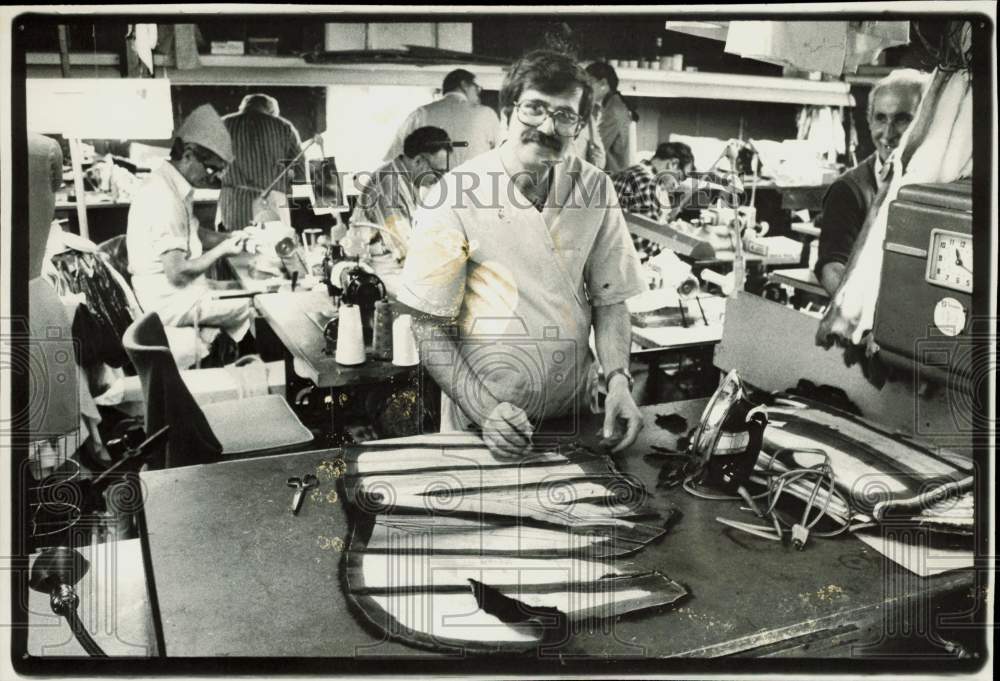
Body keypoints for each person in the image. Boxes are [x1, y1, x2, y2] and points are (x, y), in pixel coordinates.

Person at [397, 50, 647, 458]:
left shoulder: (595, 188)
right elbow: (427, 325)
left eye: (564, 115)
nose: (546, 127)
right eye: (534, 108)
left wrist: (618, 380)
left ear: (580, 126)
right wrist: (486, 411)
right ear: (508, 112)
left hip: (575, 411)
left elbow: (611, 299)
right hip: (485, 419)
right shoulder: (455, 193)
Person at [127, 104, 253, 343]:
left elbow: (195, 234)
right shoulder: (164, 197)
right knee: (256, 304)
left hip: (178, 291)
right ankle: (255, 366)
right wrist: (222, 251)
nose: (214, 177)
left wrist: (234, 237)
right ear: (187, 155)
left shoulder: (173, 185)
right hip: (168, 301)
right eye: (211, 168)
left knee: (242, 286)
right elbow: (177, 273)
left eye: (220, 171)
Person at [815, 69, 926, 295]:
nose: (887, 133)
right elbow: (832, 269)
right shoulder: (849, 190)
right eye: (880, 118)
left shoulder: (937, 184)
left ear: (926, 122)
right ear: (869, 120)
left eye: (903, 119)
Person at [359, 126, 458, 261]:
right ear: (418, 161)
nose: (440, 179)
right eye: (438, 172)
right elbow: (404, 248)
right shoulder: (389, 187)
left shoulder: (408, 180)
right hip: (383, 269)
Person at [218, 93, 304, 231]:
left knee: (235, 244)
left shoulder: (223, 125)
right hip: (273, 203)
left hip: (234, 204)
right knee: (274, 246)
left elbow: (209, 166)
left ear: (243, 108)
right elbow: (300, 173)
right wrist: (277, 177)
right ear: (271, 111)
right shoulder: (283, 127)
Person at [384, 69, 499, 168]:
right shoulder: (486, 114)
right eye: (477, 88)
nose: (478, 94)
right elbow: (503, 154)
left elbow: (393, 159)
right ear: (464, 85)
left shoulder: (421, 114)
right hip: (475, 187)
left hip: (433, 189)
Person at [612, 142, 695, 259]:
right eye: (682, 177)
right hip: (621, 260)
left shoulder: (630, 171)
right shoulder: (648, 184)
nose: (678, 185)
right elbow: (643, 245)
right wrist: (673, 236)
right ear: (673, 164)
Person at [585, 61, 633, 174]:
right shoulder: (610, 105)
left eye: (589, 84)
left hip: (613, 179)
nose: (585, 90)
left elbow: (596, 149)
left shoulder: (613, 110)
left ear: (603, 83)